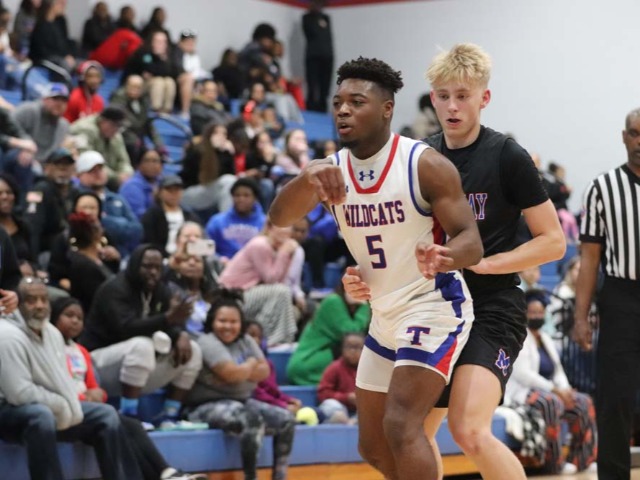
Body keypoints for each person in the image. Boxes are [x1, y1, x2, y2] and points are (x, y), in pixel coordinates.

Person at [269, 56, 483, 480]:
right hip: (383, 314)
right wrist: (307, 176)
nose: (343, 111)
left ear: (387, 109)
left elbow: (470, 242)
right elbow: (279, 217)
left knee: (401, 425)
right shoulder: (330, 172)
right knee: (372, 446)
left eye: (356, 102)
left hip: (433, 305)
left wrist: (445, 256)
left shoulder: (423, 164)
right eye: (338, 103)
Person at [397, 43, 565, 480]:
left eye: (463, 96)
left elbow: (554, 242)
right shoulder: (419, 157)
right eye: (444, 96)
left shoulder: (507, 155)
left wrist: (491, 263)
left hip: (492, 307)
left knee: (469, 429)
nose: (453, 106)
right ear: (432, 99)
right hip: (436, 309)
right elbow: (402, 240)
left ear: (483, 98)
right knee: (413, 436)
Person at [0, 277, 143, 480]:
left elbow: (62, 380)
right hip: (8, 411)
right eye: (31, 300)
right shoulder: (6, 336)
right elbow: (19, 394)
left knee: (106, 415)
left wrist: (71, 405)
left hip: (49, 406)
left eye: (44, 299)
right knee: (41, 416)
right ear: (19, 304)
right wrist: (62, 405)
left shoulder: (52, 334)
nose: (39, 305)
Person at [50, 296, 206, 480]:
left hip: (89, 410)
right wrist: (84, 397)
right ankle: (166, 474)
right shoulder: (49, 349)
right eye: (69, 315)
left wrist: (98, 394)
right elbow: (53, 385)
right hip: (66, 410)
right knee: (121, 423)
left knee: (129, 425)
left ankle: (166, 474)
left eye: (79, 318)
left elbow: (94, 386)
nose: (75, 321)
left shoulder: (81, 351)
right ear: (54, 317)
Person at [573, 107, 640, 480]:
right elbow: (589, 259)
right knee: (616, 396)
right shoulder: (602, 188)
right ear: (624, 136)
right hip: (621, 297)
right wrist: (581, 317)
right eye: (635, 133)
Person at [80, 244, 203, 427]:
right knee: (142, 345)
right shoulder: (114, 288)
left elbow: (171, 323)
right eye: (147, 266)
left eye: (158, 268)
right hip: (97, 366)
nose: (153, 272)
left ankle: (169, 417)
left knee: (193, 350)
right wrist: (168, 318)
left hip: (135, 366)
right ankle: (129, 417)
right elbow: (126, 328)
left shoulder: (160, 290)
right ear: (134, 265)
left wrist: (181, 333)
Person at [186, 289, 296, 480]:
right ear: (212, 321)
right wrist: (251, 364)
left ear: (241, 323)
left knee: (286, 419)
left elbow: (264, 371)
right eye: (222, 321)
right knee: (251, 419)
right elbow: (232, 374)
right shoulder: (207, 341)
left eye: (233, 321)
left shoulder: (246, 340)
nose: (228, 326)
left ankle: (279, 476)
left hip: (242, 401)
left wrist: (240, 372)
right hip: (204, 406)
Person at [505, 289, 597, 474]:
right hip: (524, 391)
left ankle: (582, 460)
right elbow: (524, 374)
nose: (537, 316)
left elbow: (558, 369)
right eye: (532, 312)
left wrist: (566, 390)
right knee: (551, 403)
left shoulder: (545, 338)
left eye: (540, 313)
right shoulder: (520, 336)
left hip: (552, 390)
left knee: (583, 402)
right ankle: (554, 464)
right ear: (524, 313)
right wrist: (555, 390)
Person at [287, 281, 370, 385]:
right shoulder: (333, 301)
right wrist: (364, 305)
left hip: (326, 358)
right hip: (308, 363)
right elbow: (353, 334)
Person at [316, 332, 365, 424]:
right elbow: (322, 393)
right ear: (342, 349)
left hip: (361, 411)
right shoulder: (334, 367)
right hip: (340, 409)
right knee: (332, 406)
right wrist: (347, 397)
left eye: (357, 347)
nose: (353, 351)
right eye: (349, 347)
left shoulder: (369, 369)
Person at [302, 0, 333, 113]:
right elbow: (311, 32)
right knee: (312, 83)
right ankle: (311, 107)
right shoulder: (306, 18)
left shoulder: (326, 18)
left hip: (327, 56)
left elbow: (327, 37)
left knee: (325, 84)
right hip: (313, 56)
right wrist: (317, 20)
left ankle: (322, 108)